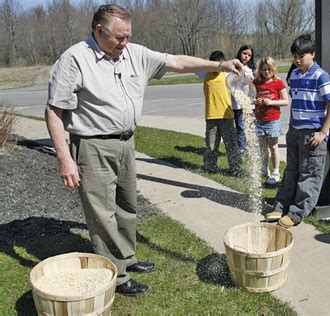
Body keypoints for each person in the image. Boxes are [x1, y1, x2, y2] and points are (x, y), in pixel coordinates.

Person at [44, 4, 243, 297]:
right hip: (93, 145)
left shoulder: (133, 53)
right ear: (99, 31)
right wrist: (65, 159)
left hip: (126, 142)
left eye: (128, 36)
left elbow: (176, 61)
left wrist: (220, 65)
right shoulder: (75, 59)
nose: (125, 43)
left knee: (127, 205)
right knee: (103, 213)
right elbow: (54, 110)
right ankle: (117, 275)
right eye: (119, 38)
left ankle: (128, 258)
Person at [264, 34, 330, 228]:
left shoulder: (320, 75)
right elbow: (295, 103)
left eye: (301, 56)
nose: (297, 60)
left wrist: (323, 132)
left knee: (309, 174)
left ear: (312, 54)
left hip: (312, 134)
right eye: (294, 56)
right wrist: (291, 128)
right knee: (291, 171)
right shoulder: (295, 75)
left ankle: (297, 213)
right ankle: (280, 206)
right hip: (295, 131)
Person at [196, 51, 242, 175]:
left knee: (231, 145)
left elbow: (242, 79)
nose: (217, 67)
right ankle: (210, 167)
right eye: (214, 64)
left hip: (227, 116)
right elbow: (195, 65)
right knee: (211, 145)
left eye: (220, 64)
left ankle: (235, 169)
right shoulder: (204, 74)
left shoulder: (228, 75)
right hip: (211, 117)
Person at [253, 57, 289, 186]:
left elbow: (286, 101)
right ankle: (264, 168)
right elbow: (251, 97)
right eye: (264, 69)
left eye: (269, 69)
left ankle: (275, 172)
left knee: (273, 147)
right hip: (259, 119)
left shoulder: (278, 82)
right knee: (262, 147)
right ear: (260, 70)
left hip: (272, 119)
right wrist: (255, 101)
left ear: (273, 69)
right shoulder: (256, 83)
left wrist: (271, 102)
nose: (267, 72)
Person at [232, 44, 256, 153]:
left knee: (246, 126)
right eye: (244, 53)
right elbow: (229, 82)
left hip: (247, 102)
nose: (246, 56)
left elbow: (255, 85)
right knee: (239, 126)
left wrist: (251, 81)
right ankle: (239, 147)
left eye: (249, 55)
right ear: (239, 53)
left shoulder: (251, 70)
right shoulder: (233, 66)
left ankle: (246, 147)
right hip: (235, 102)